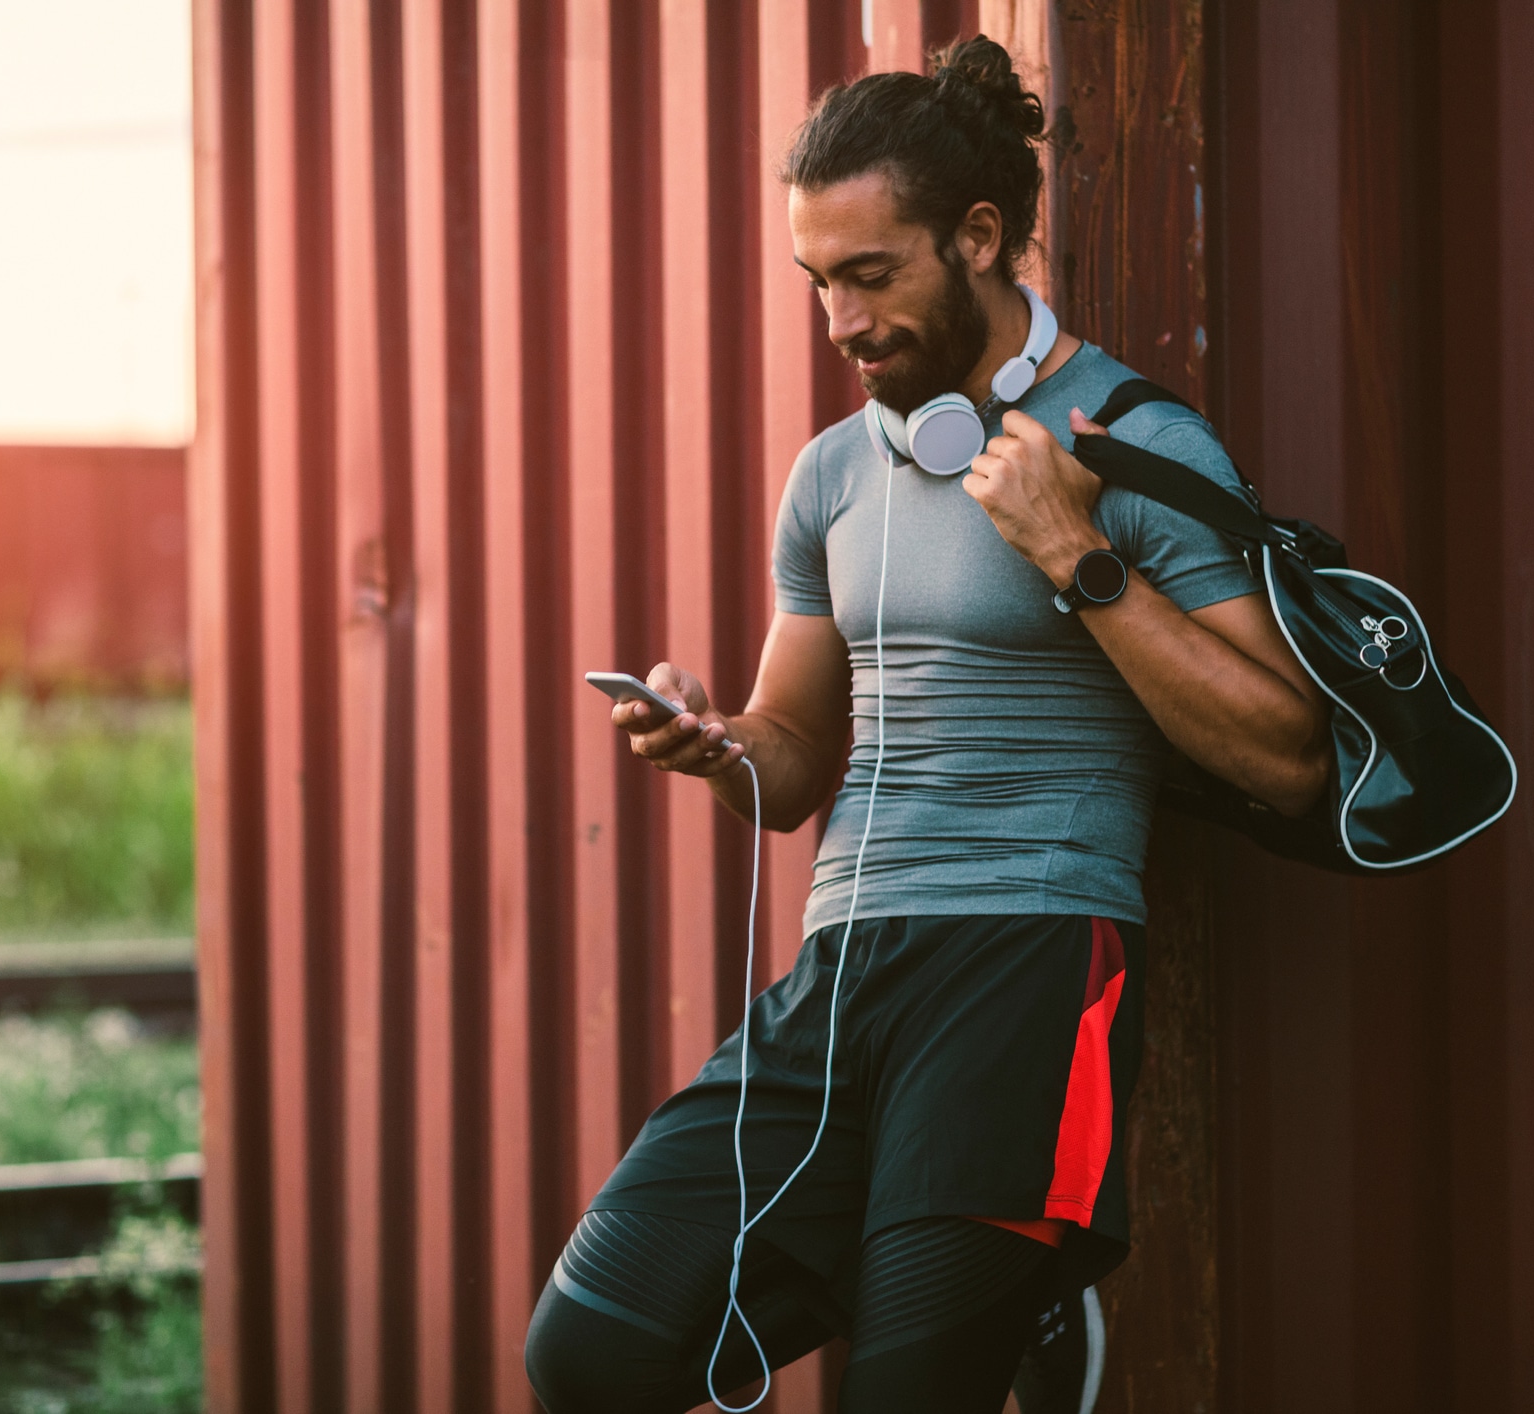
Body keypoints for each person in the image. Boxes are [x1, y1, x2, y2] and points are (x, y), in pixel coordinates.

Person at [525, 35, 1331, 1414]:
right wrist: (711, 743)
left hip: (1032, 953)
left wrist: (1076, 557)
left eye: (870, 274)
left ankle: (1017, 1296)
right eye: (816, 282)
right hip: (845, 965)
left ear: (977, 237)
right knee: (590, 1352)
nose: (838, 320)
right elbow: (789, 763)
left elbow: (1287, 751)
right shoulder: (832, 473)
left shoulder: (1134, 442)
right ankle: (979, 1283)